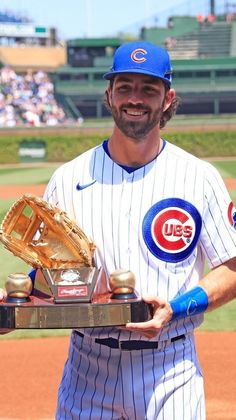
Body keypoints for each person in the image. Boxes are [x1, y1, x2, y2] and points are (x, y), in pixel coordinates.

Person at [2, 40, 236, 419]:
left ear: (167, 97)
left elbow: (232, 265)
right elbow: (56, 278)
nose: (135, 98)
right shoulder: (69, 179)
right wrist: (16, 304)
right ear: (109, 95)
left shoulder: (199, 177)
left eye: (148, 88)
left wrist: (176, 308)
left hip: (170, 368)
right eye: (124, 86)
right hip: (89, 369)